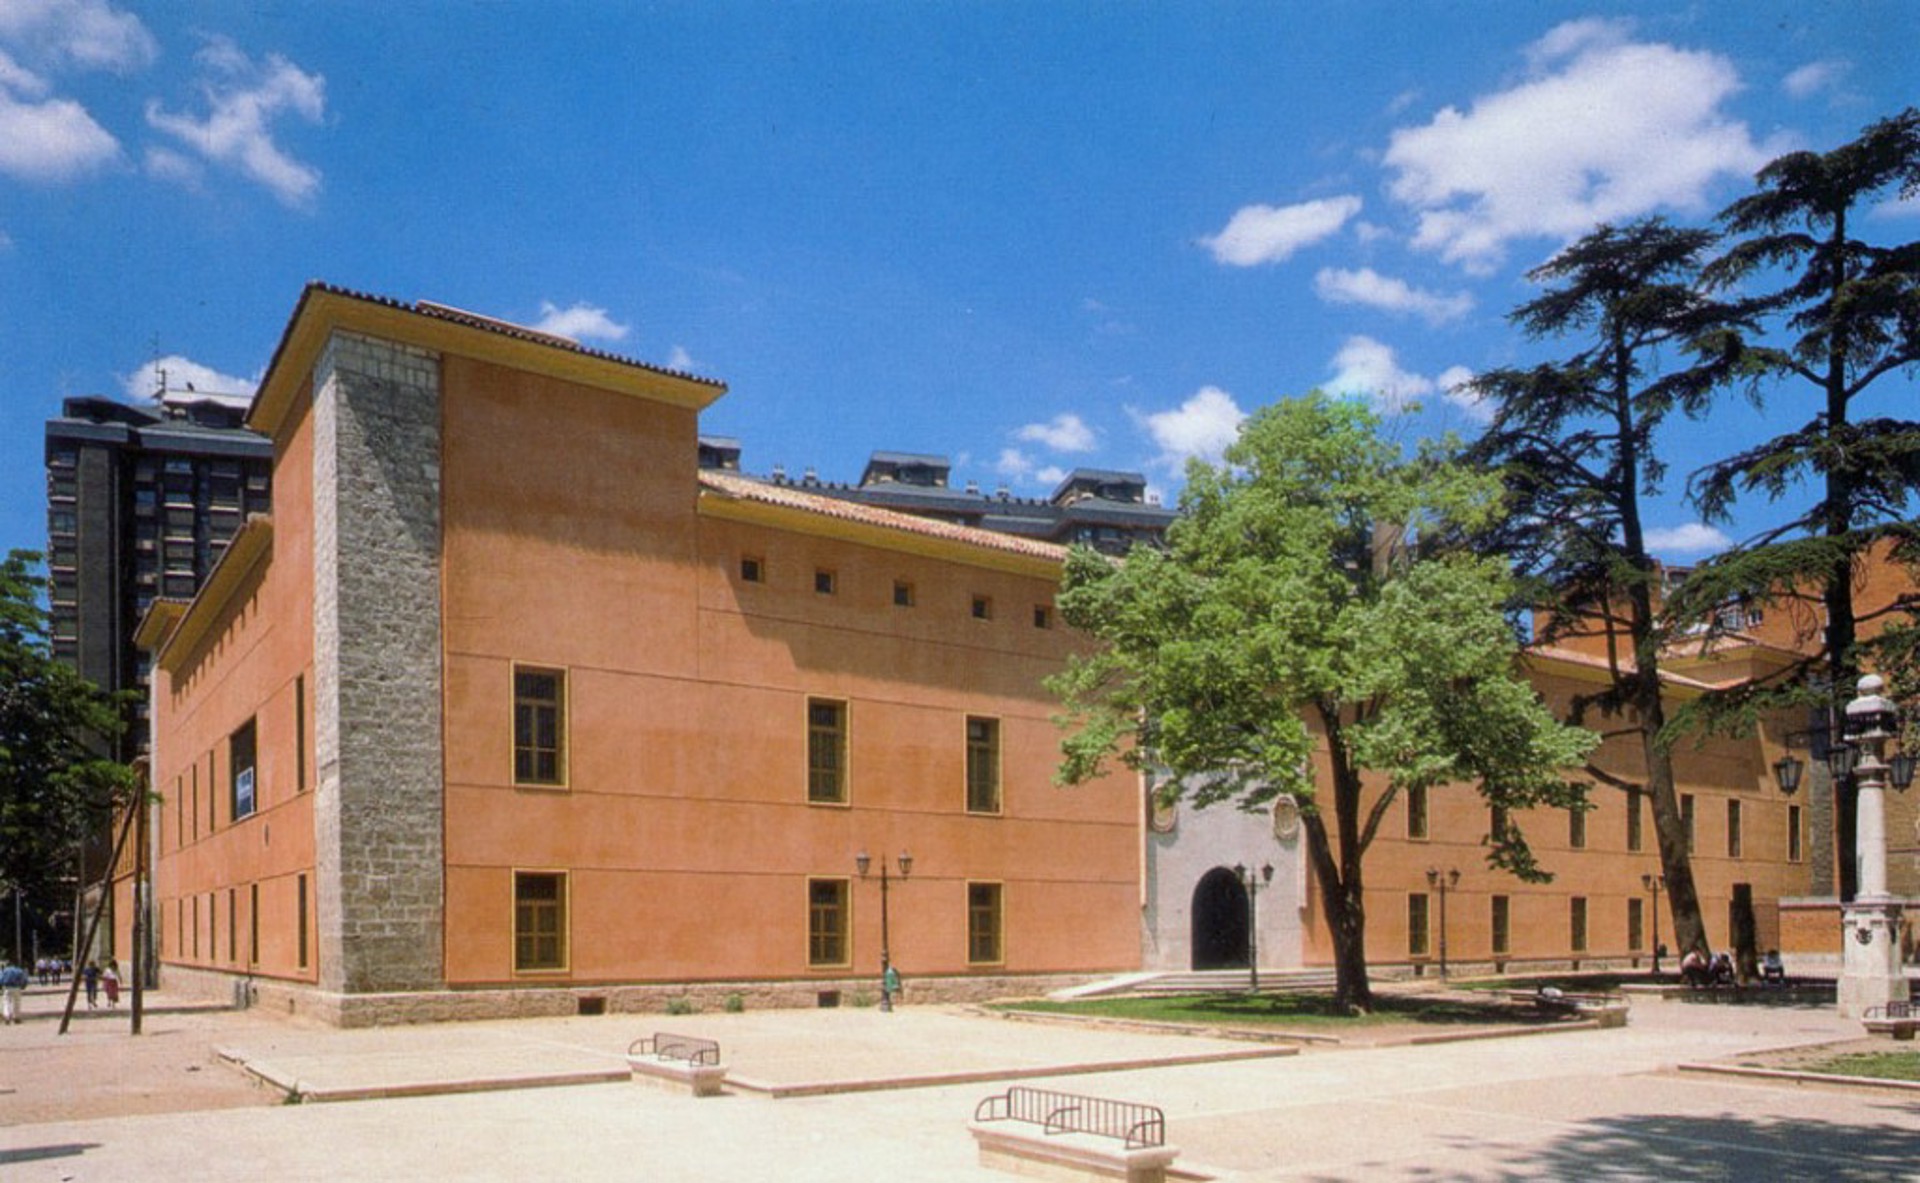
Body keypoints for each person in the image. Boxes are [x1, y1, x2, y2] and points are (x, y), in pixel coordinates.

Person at [0, 959, 27, 1024]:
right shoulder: (19, 970)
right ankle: (16, 1017)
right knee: (17, 1003)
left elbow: (1, 979)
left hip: (7, 988)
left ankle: (7, 1016)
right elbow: (24, 979)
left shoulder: (5, 971)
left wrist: (1, 987)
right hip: (17, 987)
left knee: (6, 1002)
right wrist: (23, 986)